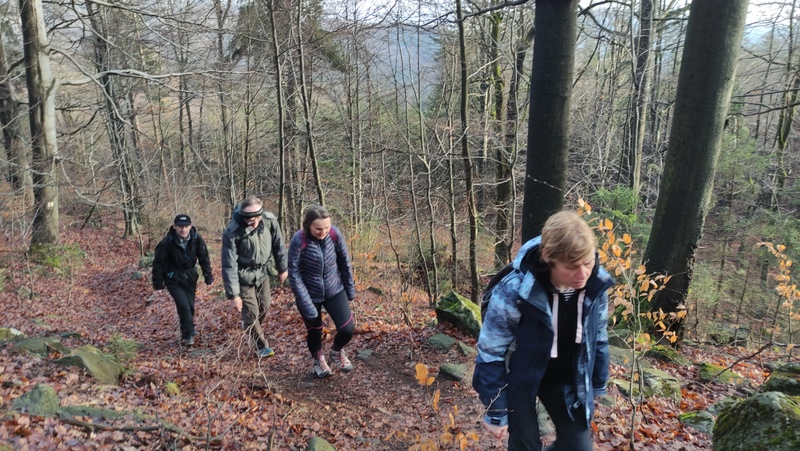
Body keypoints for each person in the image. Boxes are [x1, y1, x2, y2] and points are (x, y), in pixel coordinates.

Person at [473, 210, 614, 450]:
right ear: (548, 256)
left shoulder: (595, 284)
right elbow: (490, 351)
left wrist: (598, 381)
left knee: (578, 447)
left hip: (565, 375)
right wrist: (496, 411)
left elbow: (598, 336)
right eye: (572, 266)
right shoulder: (514, 289)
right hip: (520, 375)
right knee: (525, 445)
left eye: (588, 262)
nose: (583, 274)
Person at [288, 205, 356, 378]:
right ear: (308, 225)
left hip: (334, 288)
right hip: (309, 293)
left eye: (326, 227)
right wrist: (305, 301)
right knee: (315, 331)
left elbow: (345, 262)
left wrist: (350, 289)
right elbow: (294, 273)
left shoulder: (334, 234)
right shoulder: (299, 240)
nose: (323, 232)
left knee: (347, 329)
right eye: (318, 229)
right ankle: (318, 360)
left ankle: (336, 352)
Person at [221, 196, 288, 358]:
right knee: (252, 313)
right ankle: (261, 346)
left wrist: (282, 268)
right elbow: (229, 265)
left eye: (257, 219)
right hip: (243, 277)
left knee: (265, 306)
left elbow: (279, 245)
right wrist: (234, 295)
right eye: (250, 221)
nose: (254, 223)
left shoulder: (270, 221)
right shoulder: (232, 232)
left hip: (263, 273)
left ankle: (250, 327)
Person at [152, 214, 214, 346]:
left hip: (190, 277)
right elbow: (158, 263)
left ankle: (188, 328)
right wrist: (158, 283)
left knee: (190, 307)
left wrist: (208, 276)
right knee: (183, 305)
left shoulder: (196, 239)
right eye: (180, 227)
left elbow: (204, 258)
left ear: (190, 226)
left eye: (186, 226)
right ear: (174, 227)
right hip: (173, 278)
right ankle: (187, 335)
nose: (183, 229)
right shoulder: (166, 242)